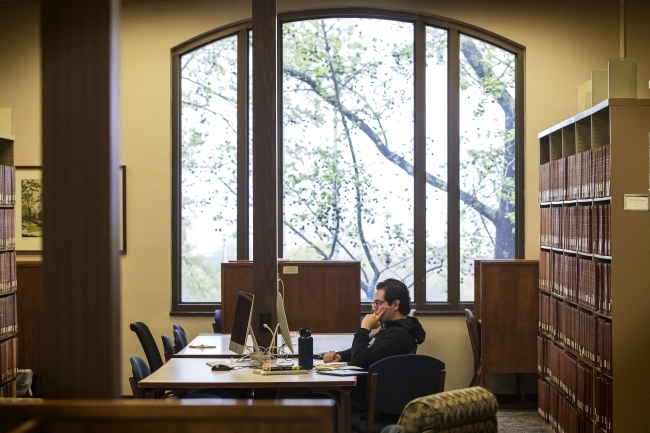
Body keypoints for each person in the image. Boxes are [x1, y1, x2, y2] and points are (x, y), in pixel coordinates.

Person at [322, 278, 426, 414]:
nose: (373, 308)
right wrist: (340, 355)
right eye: (374, 303)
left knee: (315, 397)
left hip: (372, 401)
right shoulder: (391, 328)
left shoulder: (399, 335)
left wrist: (364, 329)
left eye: (378, 303)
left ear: (395, 304)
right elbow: (367, 349)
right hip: (367, 392)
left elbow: (360, 359)